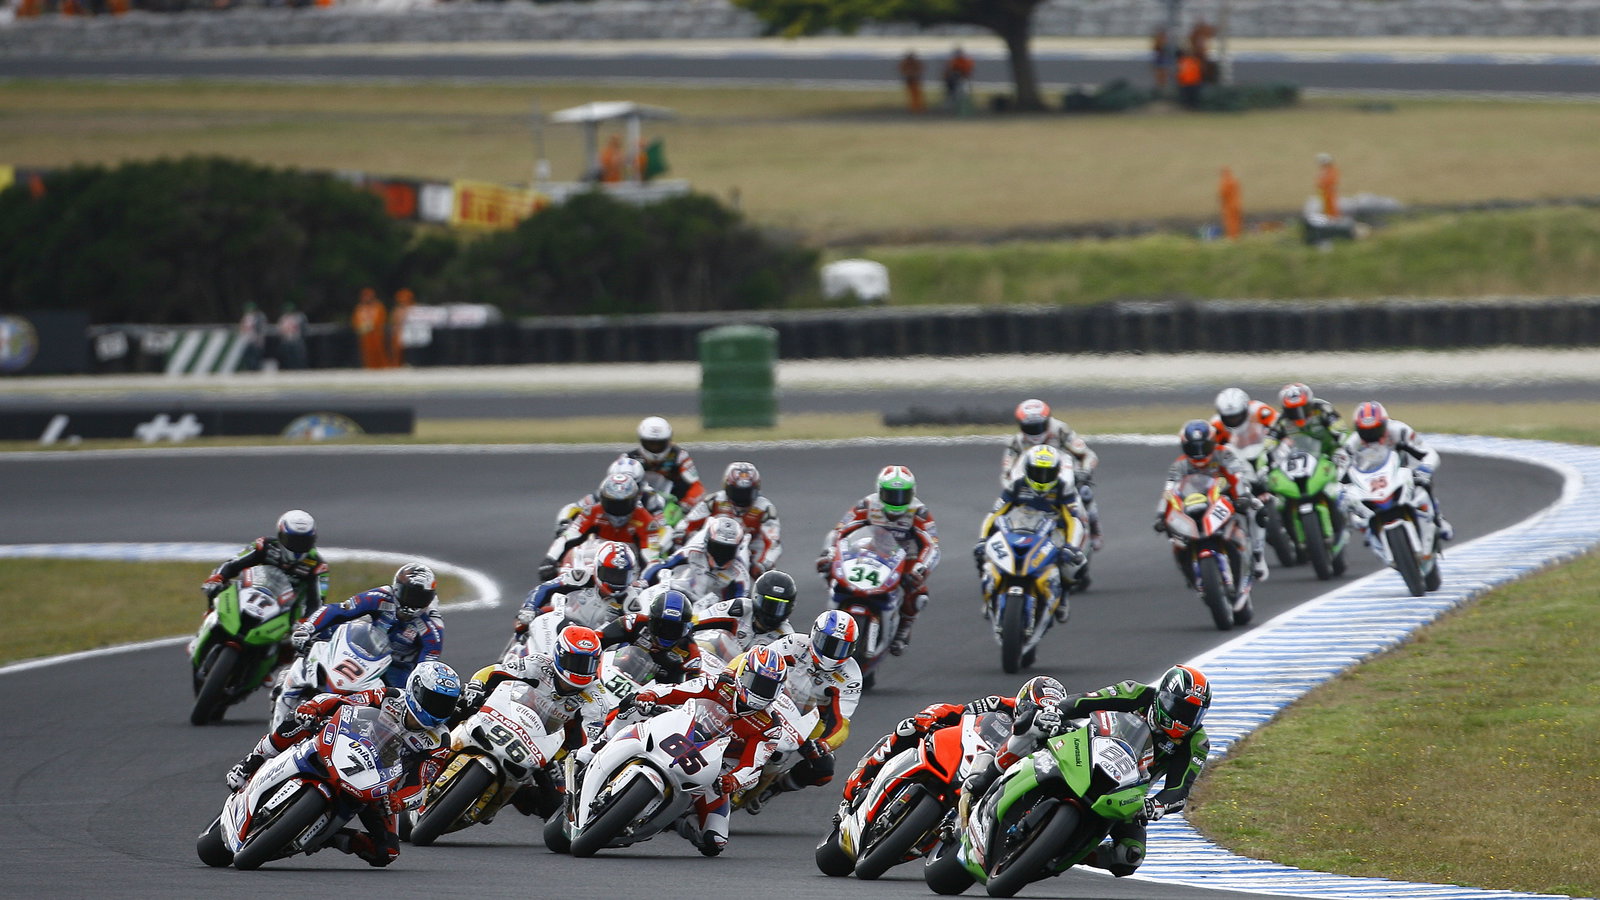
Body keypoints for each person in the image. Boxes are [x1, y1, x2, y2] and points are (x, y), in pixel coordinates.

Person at [224, 661, 463, 867]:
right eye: (434, 700)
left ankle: (330, 838)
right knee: (299, 720)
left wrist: (399, 800)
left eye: (445, 704)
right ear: (416, 690)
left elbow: (422, 783)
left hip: (376, 783)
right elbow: (343, 701)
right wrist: (315, 708)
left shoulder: (439, 741)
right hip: (342, 745)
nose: (439, 709)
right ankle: (252, 761)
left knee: (386, 852)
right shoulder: (389, 696)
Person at [1044, 666, 1214, 878]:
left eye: (1193, 714)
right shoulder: (1135, 692)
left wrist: (1156, 805)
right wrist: (1056, 712)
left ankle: (1068, 854)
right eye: (1180, 708)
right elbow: (1084, 701)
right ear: (1163, 696)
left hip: (1126, 793)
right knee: (1038, 730)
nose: (1185, 719)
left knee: (1130, 856)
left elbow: (1179, 789)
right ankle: (995, 771)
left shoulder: (1197, 742)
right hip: (1085, 754)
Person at [623, 645, 791, 856]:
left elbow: (753, 767)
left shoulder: (770, 726)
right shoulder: (720, 684)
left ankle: (678, 820)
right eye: (755, 682)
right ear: (742, 674)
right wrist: (651, 695)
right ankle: (595, 749)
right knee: (630, 714)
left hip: (716, 768)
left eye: (768, 687)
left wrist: (734, 781)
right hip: (682, 735)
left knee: (715, 841)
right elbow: (677, 689)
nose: (760, 691)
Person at [450, 625, 608, 816]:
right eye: (575, 661)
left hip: (548, 748)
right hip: (507, 716)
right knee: (460, 702)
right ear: (560, 654)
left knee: (555, 804)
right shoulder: (539, 664)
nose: (580, 670)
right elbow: (493, 672)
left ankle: (512, 794)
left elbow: (585, 744)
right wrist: (477, 686)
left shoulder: (597, 701)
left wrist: (566, 762)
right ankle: (431, 748)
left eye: (587, 664)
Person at [277, 563, 446, 722]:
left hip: (396, 666)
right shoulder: (381, 596)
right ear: (396, 588)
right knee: (323, 638)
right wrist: (307, 629)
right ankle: (293, 681)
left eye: (419, 597)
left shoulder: (432, 627)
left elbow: (425, 667)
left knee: (401, 709)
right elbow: (340, 610)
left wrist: (409, 692)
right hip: (364, 647)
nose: (412, 602)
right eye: (409, 594)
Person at [742, 609, 862, 814]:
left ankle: (775, 786)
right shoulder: (793, 643)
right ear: (815, 635)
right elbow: (755, 662)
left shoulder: (851, 677)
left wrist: (824, 744)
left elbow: (841, 723)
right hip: (771, 700)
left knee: (824, 769)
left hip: (810, 722)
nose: (833, 653)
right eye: (828, 643)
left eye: (842, 648)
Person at [818, 465, 940, 656]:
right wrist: (830, 553)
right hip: (868, 550)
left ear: (912, 493)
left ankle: (903, 630)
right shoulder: (866, 505)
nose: (896, 501)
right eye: (891, 494)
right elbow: (840, 531)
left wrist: (920, 569)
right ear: (880, 491)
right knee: (826, 567)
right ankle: (833, 601)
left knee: (918, 594)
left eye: (902, 495)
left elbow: (932, 546)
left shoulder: (919, 512)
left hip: (904, 558)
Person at [841, 690, 1016, 808]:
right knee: (908, 728)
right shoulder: (1008, 704)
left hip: (990, 773)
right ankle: (863, 776)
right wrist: (930, 715)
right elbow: (961, 710)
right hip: (963, 747)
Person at [977, 445, 1092, 618]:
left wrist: (1071, 546)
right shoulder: (1017, 485)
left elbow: (1073, 519)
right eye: (1038, 472)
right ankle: (991, 594)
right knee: (984, 553)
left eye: (1048, 473)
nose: (1043, 478)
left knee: (1071, 565)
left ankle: (1063, 598)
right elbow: (995, 513)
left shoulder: (1064, 488)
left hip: (1052, 531)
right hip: (1019, 527)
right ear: (1028, 469)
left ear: (1057, 472)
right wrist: (983, 539)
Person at [1157, 420, 1267, 581]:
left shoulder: (1224, 453)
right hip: (1193, 501)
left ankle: (1257, 555)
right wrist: (1161, 514)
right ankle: (1187, 566)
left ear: (1213, 442)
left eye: (1204, 446)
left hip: (1227, 495)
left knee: (1256, 508)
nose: (1199, 453)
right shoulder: (1179, 465)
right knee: (1173, 532)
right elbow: (1169, 490)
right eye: (1193, 448)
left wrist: (1243, 496)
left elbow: (1238, 475)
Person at [1342, 401, 1454, 541]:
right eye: (1365, 432)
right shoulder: (1351, 444)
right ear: (1358, 430)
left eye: (1375, 430)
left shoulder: (1399, 430)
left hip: (1404, 472)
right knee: (1355, 515)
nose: (1371, 436)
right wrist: (1342, 487)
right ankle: (1373, 536)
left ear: (1384, 423)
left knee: (1423, 484)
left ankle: (1438, 518)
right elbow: (1340, 470)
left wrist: (1424, 468)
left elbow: (1428, 453)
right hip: (1372, 482)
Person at [1001, 398, 1103, 550]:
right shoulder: (1017, 441)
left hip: (1063, 476)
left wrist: (1084, 473)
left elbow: (1089, 455)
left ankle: (1094, 532)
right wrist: (1010, 484)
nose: (1035, 431)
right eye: (1030, 427)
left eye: (1039, 426)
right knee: (1007, 502)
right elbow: (1006, 470)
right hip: (1031, 481)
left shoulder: (1061, 430)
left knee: (1085, 494)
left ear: (1048, 421)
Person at [540, 472, 668, 581]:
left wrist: (646, 580)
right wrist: (550, 560)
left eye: (623, 504)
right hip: (593, 561)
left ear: (634, 501)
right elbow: (568, 536)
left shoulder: (646, 521)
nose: (617, 509)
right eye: (612, 503)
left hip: (627, 570)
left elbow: (651, 557)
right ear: (603, 499)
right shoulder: (592, 511)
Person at [203, 509, 328, 617]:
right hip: (253, 598)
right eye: (293, 540)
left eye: (304, 541)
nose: (298, 546)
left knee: (300, 642)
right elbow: (232, 565)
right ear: (280, 535)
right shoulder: (265, 546)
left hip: (287, 614)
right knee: (219, 593)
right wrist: (216, 579)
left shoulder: (317, 566)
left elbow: (317, 603)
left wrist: (305, 622)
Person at [675, 461, 782, 577]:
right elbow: (689, 521)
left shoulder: (765, 508)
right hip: (713, 543)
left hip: (747, 545)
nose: (742, 497)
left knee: (767, 572)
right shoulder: (714, 500)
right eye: (737, 491)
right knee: (678, 543)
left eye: (747, 492)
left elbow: (773, 543)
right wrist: (680, 533)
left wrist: (764, 563)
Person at [597, 585, 708, 685]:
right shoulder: (635, 622)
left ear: (685, 629)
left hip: (656, 695)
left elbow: (693, 688)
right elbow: (599, 638)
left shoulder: (690, 652)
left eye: (674, 629)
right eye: (662, 626)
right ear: (651, 620)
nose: (667, 633)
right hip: (616, 673)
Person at [519, 540, 640, 632]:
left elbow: (634, 629)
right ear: (597, 568)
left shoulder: (631, 600)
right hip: (564, 625)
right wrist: (530, 607)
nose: (615, 580)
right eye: (611, 574)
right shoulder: (582, 576)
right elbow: (545, 588)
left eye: (621, 576)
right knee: (527, 621)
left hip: (598, 643)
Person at [642, 515, 751, 607]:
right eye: (717, 547)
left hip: (713, 608)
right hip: (687, 593)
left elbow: (739, 603)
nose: (722, 553)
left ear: (738, 548)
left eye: (728, 549)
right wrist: (643, 583)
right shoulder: (692, 551)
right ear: (707, 542)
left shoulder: (739, 573)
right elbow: (662, 566)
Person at [696, 568, 801, 651]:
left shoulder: (785, 637)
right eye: (768, 604)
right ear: (755, 597)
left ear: (790, 607)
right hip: (710, 663)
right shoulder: (739, 608)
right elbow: (697, 620)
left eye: (780, 607)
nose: (772, 612)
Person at [627, 416, 705, 524]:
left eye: (660, 444)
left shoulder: (679, 456)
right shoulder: (629, 459)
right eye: (650, 443)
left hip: (670, 503)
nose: (655, 448)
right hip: (638, 503)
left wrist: (687, 504)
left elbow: (696, 486)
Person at [1210, 387, 1279, 461]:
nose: (1233, 421)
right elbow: (1210, 451)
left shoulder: (1259, 410)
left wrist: (1272, 438)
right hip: (1237, 461)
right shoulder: (1216, 425)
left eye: (1237, 416)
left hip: (1266, 452)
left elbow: (1281, 423)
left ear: (1246, 408)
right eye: (1229, 418)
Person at [351, 286, 389, 369]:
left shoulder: (378, 307)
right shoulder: (360, 308)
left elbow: (381, 319)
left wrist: (372, 326)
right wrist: (360, 327)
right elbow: (355, 320)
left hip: (376, 334)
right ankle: (369, 367)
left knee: (379, 351)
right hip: (365, 334)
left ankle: (383, 367)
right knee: (367, 352)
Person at [275, 302, 308, 370]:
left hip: (296, 339)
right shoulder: (283, 318)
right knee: (286, 356)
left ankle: (299, 368)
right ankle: (287, 368)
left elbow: (301, 329)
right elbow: (280, 329)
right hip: (286, 339)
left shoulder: (299, 317)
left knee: (298, 356)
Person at [942, 46, 974, 113]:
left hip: (963, 80)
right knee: (953, 96)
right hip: (953, 82)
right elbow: (948, 71)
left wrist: (961, 74)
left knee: (963, 95)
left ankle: (963, 109)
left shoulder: (965, 61)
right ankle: (954, 109)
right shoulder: (954, 61)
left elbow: (967, 71)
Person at [237, 302, 267, 371]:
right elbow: (242, 328)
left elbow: (260, 329)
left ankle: (256, 369)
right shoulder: (246, 317)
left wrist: (259, 339)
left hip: (255, 339)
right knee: (248, 356)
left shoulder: (259, 317)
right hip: (247, 339)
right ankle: (250, 369)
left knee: (255, 356)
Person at [389, 288, 414, 367]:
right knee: (396, 350)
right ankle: (396, 364)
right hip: (399, 332)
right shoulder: (397, 310)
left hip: (410, 333)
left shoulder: (412, 309)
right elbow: (394, 322)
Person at [1218, 167, 1242, 240]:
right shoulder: (1234, 181)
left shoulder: (1225, 182)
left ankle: (1231, 237)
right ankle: (1236, 236)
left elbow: (1222, 194)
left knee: (1230, 221)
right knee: (1236, 221)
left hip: (1229, 205)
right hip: (1237, 204)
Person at [1316, 152, 1341, 219]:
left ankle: (1333, 219)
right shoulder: (1324, 171)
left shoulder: (1331, 171)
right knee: (1325, 208)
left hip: (1329, 194)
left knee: (1331, 208)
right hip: (1324, 194)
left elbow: (1330, 182)